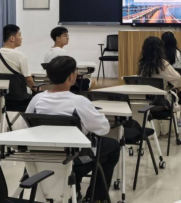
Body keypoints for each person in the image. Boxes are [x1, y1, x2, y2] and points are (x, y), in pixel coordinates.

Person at [26, 56, 119, 202]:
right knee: (112, 147)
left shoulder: (36, 100)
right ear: (71, 77)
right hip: (75, 161)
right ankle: (96, 198)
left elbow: (25, 127)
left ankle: (74, 191)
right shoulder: (78, 101)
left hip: (41, 159)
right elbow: (103, 128)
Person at [0, 25, 38, 93]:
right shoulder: (20, 56)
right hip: (20, 95)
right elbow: (28, 80)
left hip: (1, 96)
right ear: (12, 38)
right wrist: (38, 90)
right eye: (19, 35)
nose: (21, 38)